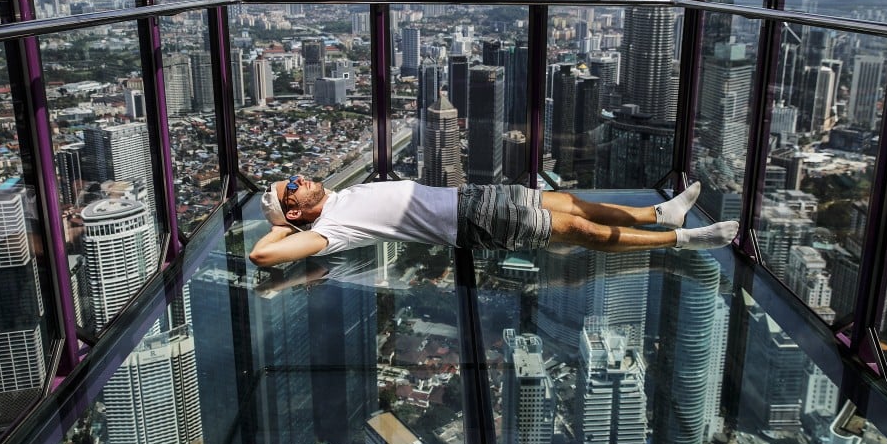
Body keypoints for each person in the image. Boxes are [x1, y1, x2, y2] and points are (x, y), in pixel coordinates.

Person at [249, 176, 739, 267]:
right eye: (290, 187)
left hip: (475, 197)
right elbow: (262, 254)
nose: (300, 178)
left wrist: (285, 210)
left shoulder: (337, 195)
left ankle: (658, 213)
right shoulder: (328, 230)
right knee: (577, 232)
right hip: (469, 223)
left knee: (569, 203)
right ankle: (684, 239)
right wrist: (285, 226)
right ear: (294, 211)